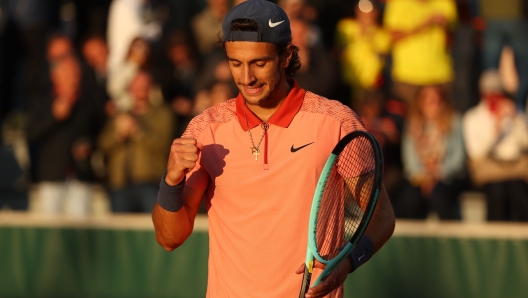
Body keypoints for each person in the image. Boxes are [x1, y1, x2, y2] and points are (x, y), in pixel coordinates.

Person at [152, 1, 395, 297]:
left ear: (286, 56)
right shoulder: (205, 129)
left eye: (259, 63)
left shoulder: (337, 122)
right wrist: (171, 181)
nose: (246, 78)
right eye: (235, 63)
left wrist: (347, 262)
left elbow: (381, 215)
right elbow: (169, 238)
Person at [98, 71, 174, 213]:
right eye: (136, 86)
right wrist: (119, 135)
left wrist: (137, 131)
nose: (140, 89)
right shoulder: (120, 114)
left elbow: (164, 146)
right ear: (130, 89)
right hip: (119, 183)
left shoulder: (162, 114)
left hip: (150, 182)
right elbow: (103, 145)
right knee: (120, 231)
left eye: (144, 86)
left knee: (151, 229)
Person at [462, 70, 528, 221]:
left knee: (517, 189)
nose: (494, 96)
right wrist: (496, 129)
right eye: (489, 92)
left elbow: (525, 143)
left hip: (515, 169)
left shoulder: (516, 111)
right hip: (490, 170)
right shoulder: (472, 117)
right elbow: (475, 152)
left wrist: (517, 120)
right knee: (498, 191)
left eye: (497, 92)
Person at [396, 85, 465, 220]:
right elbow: (409, 161)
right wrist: (425, 178)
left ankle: (449, 237)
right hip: (419, 178)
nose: (434, 105)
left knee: (439, 195)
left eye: (437, 100)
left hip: (447, 176)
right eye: (429, 101)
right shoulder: (412, 124)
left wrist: (436, 175)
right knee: (410, 198)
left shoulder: (454, 121)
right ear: (420, 103)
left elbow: (458, 159)